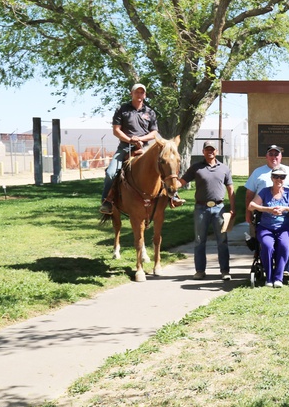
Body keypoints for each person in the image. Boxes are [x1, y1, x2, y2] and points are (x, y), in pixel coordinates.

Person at [100, 83, 176, 214]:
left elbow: (153, 133)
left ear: (145, 95)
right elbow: (116, 130)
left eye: (142, 92)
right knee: (111, 173)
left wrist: (141, 139)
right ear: (131, 93)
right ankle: (107, 201)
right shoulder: (122, 109)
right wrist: (130, 140)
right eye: (137, 92)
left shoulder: (150, 112)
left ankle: (173, 196)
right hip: (125, 147)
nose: (139, 94)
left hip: (146, 148)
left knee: (164, 165)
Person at [180, 142, 236, 280]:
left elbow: (230, 189)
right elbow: (181, 182)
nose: (210, 152)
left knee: (222, 241)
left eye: (212, 149)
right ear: (203, 151)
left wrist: (233, 208)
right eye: (207, 149)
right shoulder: (196, 168)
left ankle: (225, 271)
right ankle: (200, 270)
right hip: (201, 208)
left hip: (219, 208)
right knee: (199, 241)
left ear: (216, 151)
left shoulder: (224, 168)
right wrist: (170, 184)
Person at [249, 167, 289, 287]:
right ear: (272, 178)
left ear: (285, 179)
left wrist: (285, 208)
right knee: (267, 246)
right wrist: (267, 209)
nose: (279, 179)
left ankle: (278, 278)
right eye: (276, 176)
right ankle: (269, 278)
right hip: (266, 227)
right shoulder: (264, 191)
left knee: (284, 245)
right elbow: (251, 205)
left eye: (282, 177)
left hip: (284, 227)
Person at [245, 145, 289, 229]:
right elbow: (249, 194)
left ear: (281, 156)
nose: (273, 157)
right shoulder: (257, 172)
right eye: (271, 154)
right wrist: (248, 213)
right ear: (266, 156)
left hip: (284, 215)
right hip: (262, 213)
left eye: (276, 154)